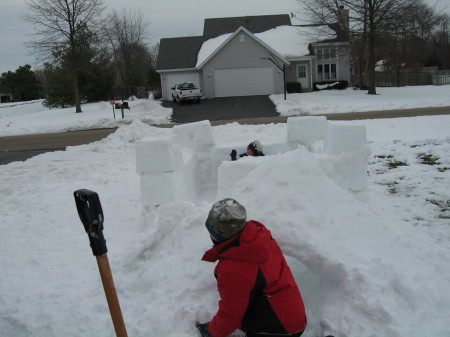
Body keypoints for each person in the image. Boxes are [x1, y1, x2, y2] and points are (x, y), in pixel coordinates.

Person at [196, 198, 307, 337]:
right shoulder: (259, 238)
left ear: (219, 236)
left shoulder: (233, 268)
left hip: (277, 329)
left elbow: (231, 314)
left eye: (211, 231)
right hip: (293, 316)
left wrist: (211, 331)